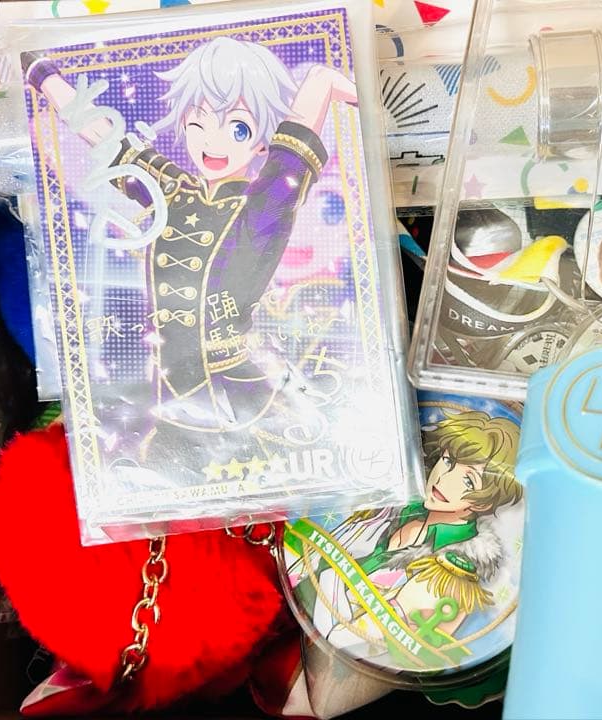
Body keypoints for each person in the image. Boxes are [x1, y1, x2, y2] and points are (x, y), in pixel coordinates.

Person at [25, 37, 358, 478]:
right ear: (184, 125)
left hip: (233, 389)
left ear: (262, 143)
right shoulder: (173, 189)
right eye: (200, 124)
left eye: (238, 129)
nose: (214, 142)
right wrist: (43, 76)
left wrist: (321, 84)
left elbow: (291, 155)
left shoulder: (260, 208)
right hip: (168, 391)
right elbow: (106, 141)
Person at [309, 409, 522, 666]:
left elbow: (360, 641)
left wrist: (331, 577)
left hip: (345, 658)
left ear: (484, 503)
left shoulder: (455, 572)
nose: (444, 480)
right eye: (448, 461)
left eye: (468, 481)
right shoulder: (395, 508)